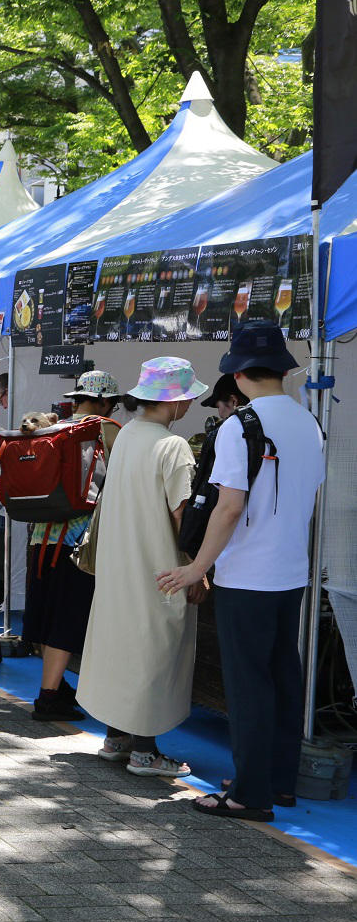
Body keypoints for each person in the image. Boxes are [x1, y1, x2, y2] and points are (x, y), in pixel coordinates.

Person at [158, 324, 324, 820]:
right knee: (281, 677)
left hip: (247, 575)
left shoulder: (239, 427)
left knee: (249, 684)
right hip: (291, 571)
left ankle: (249, 795)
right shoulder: (308, 422)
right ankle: (276, 781)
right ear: (282, 369)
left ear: (240, 374)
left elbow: (229, 508)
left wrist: (196, 568)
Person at [76, 356, 204, 778]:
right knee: (154, 651)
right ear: (172, 402)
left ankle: (116, 737)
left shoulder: (127, 434)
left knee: (123, 648)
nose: (188, 406)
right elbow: (181, 513)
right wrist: (199, 566)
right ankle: (145, 752)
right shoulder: (174, 446)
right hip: (160, 565)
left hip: (120, 560)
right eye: (185, 398)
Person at [23, 371, 121, 721]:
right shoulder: (106, 430)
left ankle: (57, 685)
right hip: (78, 544)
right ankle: (48, 697)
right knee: (67, 618)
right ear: (107, 401)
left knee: (48, 614)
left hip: (40, 539)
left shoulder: (54, 428)